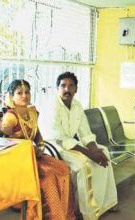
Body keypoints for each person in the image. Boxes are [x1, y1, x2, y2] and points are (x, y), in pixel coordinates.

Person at [44, 72, 118, 220]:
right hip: (53, 147)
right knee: (84, 164)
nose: (67, 89)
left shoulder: (77, 105)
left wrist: (95, 150)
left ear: (76, 89)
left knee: (104, 153)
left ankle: (105, 203)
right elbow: (58, 136)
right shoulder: (52, 105)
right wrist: (90, 154)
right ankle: (86, 211)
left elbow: (85, 131)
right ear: (57, 89)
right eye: (63, 86)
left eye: (71, 86)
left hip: (69, 144)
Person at [0, 79, 76, 220]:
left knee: (64, 168)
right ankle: (52, 216)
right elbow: (4, 141)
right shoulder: (10, 116)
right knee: (50, 176)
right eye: (19, 93)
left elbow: (38, 136)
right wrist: (27, 149)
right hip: (18, 160)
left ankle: (67, 215)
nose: (24, 96)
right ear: (11, 96)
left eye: (27, 92)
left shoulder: (32, 112)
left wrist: (40, 147)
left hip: (34, 155)